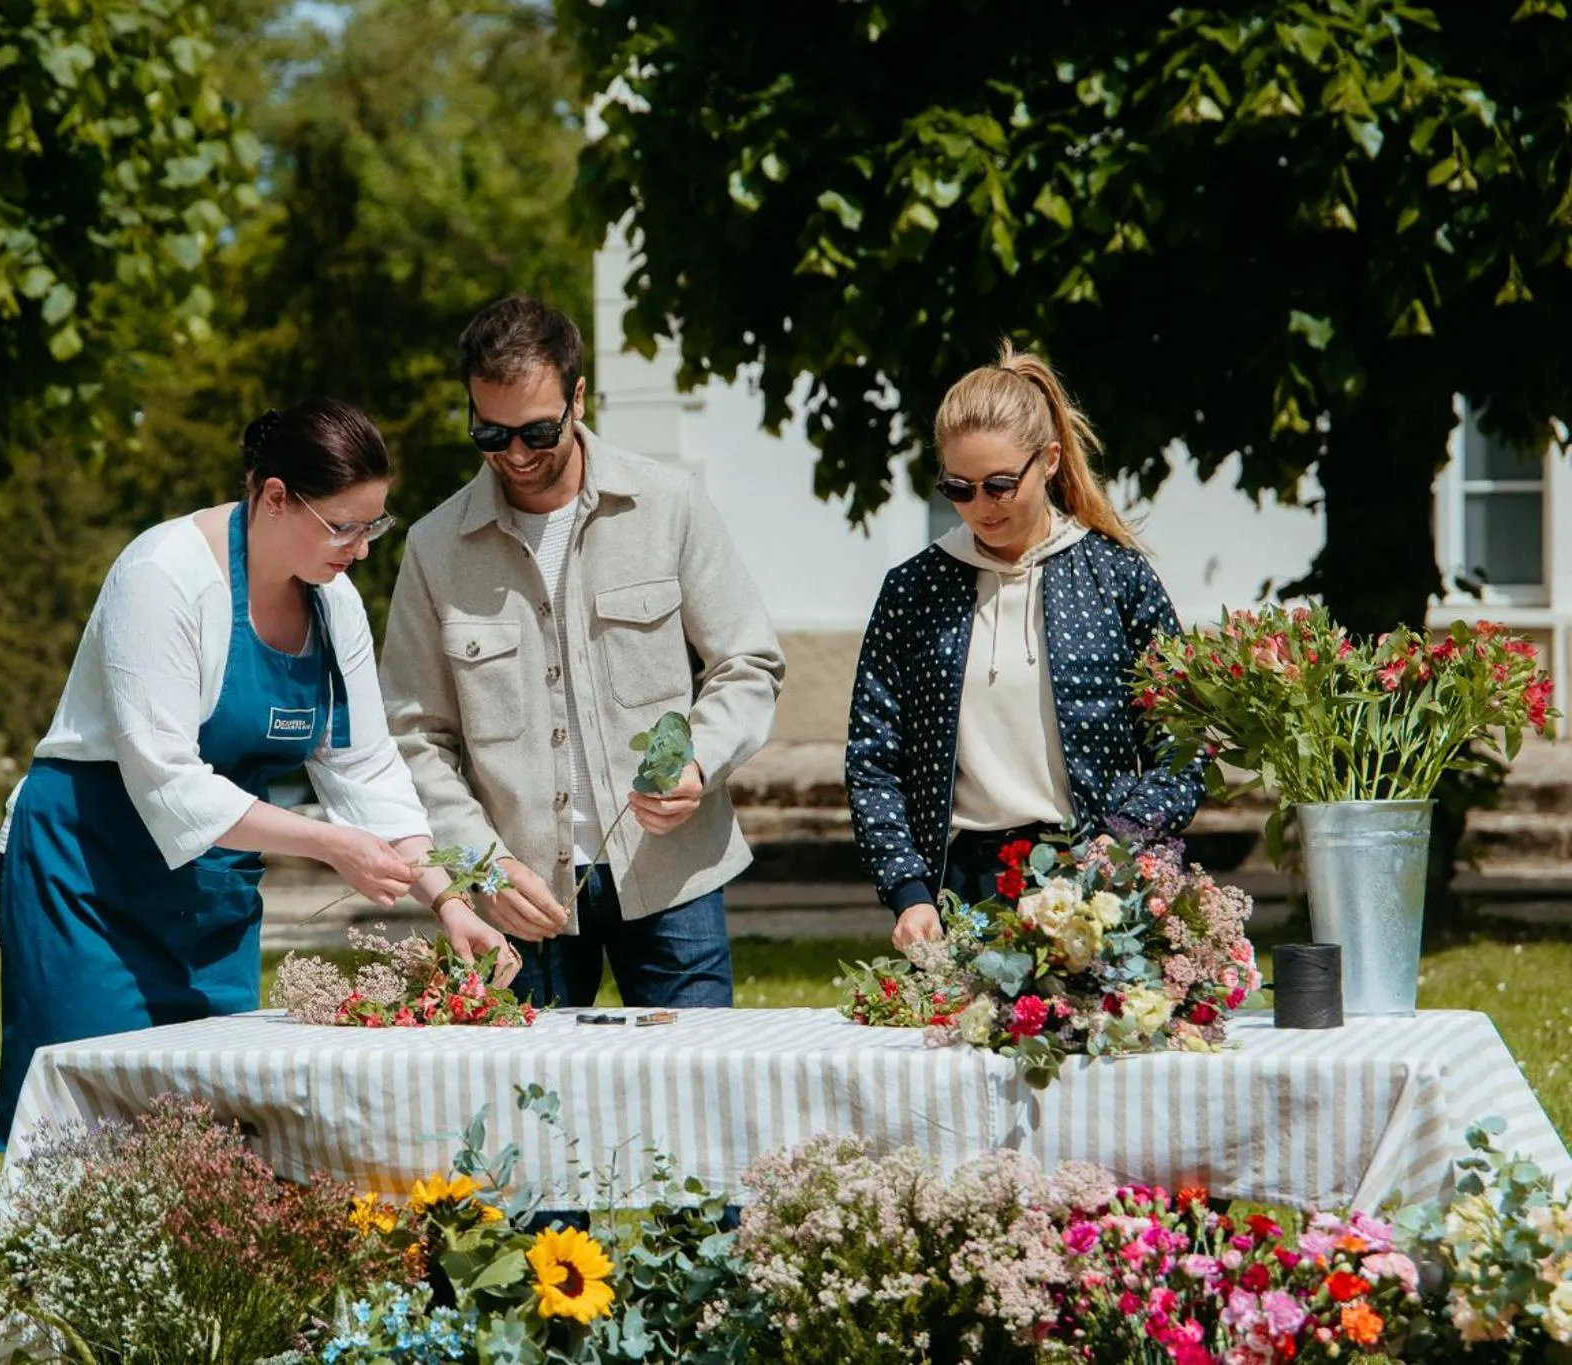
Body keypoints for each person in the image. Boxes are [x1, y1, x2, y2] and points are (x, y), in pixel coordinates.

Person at [0, 399, 515, 1145]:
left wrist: (449, 902)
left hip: (209, 890)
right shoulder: (163, 575)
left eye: (375, 524)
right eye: (344, 525)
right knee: (90, 1130)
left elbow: (368, 774)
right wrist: (330, 845)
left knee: (219, 1130)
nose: (362, 549)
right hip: (88, 874)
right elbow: (167, 780)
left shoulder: (334, 605)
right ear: (274, 496)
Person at [381, 295, 784, 1009]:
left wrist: (699, 759)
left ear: (578, 396)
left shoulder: (670, 504)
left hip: (672, 879)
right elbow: (415, 735)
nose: (515, 454)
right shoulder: (433, 548)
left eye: (538, 430)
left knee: (689, 1102)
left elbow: (747, 662)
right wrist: (483, 863)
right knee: (526, 1113)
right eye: (490, 432)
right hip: (520, 896)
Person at [846, 343, 1204, 952]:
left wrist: (1121, 845)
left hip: (1095, 875)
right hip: (960, 883)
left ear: (1050, 462)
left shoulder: (1114, 578)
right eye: (957, 488)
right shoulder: (914, 589)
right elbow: (874, 757)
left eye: (1000, 485)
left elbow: (1184, 743)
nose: (980, 507)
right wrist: (908, 890)